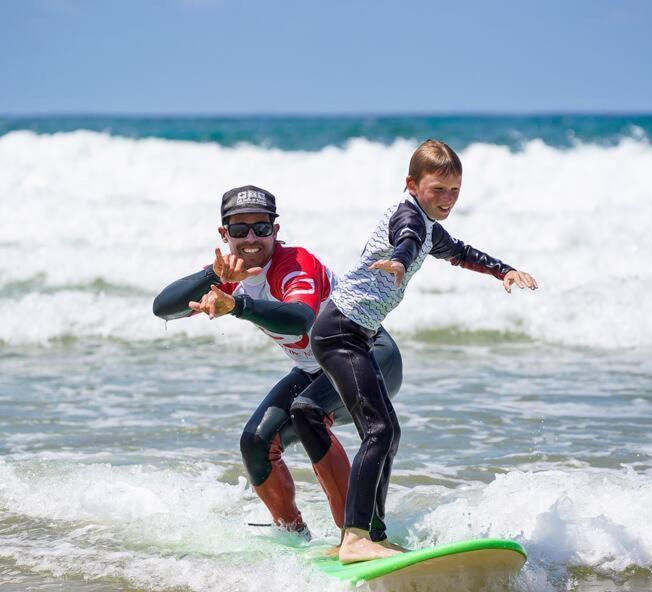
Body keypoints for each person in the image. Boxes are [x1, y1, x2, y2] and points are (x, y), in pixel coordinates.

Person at [311, 139, 539, 564]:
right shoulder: (409, 218)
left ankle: (367, 534)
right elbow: (407, 240)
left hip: (355, 333)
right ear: (412, 184)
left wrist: (503, 270)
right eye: (438, 190)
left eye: (454, 191)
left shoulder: (429, 225)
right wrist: (399, 261)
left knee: (386, 433)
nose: (447, 199)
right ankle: (355, 538)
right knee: (379, 432)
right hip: (339, 331)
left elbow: (459, 252)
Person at [153, 185, 402, 541]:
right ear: (225, 235)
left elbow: (299, 318)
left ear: (275, 230)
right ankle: (293, 537)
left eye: (261, 228)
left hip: (370, 356)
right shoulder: (228, 273)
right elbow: (163, 308)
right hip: (317, 369)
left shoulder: (295, 264)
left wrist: (238, 306)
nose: (251, 238)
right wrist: (212, 276)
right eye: (239, 230)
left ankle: (362, 536)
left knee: (307, 412)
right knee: (255, 442)